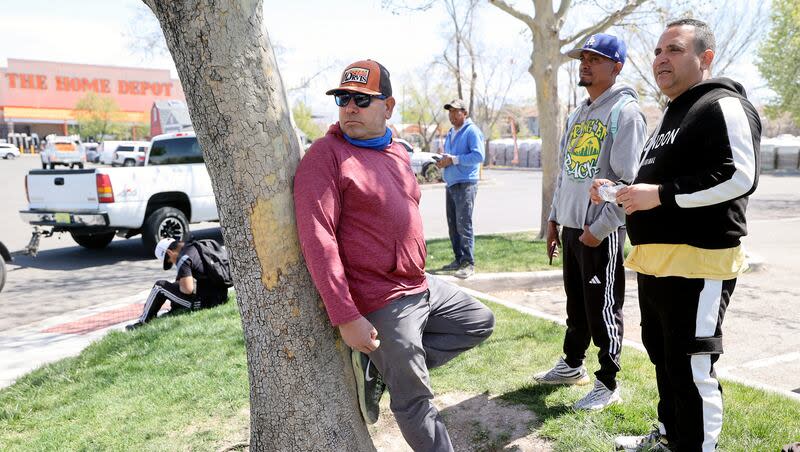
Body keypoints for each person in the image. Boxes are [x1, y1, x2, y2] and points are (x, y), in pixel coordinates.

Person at [293, 59, 495, 452]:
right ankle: (396, 371)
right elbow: (318, 240)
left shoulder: (397, 150)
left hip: (421, 284)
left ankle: (380, 367)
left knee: (478, 322)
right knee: (416, 399)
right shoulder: (326, 156)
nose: (349, 107)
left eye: (362, 100)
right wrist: (347, 316)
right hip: (380, 297)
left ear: (389, 106)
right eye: (343, 99)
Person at [594, 19, 761, 451]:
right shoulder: (671, 114)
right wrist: (620, 194)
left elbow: (739, 176)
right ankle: (670, 437)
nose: (660, 59)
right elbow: (654, 187)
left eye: (674, 49)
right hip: (655, 263)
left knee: (691, 364)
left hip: (699, 262)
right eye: (656, 51)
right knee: (664, 359)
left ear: (705, 58)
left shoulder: (722, 104)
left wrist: (662, 195)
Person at [535, 33, 646, 411]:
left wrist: (598, 231)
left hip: (600, 232)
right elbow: (567, 174)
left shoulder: (625, 113)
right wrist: (554, 218)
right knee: (576, 304)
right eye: (583, 57)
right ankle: (572, 364)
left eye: (595, 58)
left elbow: (629, 184)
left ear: (616, 67)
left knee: (602, 307)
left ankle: (608, 381)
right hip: (572, 227)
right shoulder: (579, 113)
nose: (585, 63)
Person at [126, 238, 230, 330]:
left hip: (206, 303)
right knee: (176, 285)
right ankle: (173, 309)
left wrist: (179, 284)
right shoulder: (199, 246)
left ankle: (143, 322)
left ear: (170, 252)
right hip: (223, 296)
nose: (173, 263)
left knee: (160, 286)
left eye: (170, 261)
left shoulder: (183, 257)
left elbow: (187, 290)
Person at [436, 99, 485, 279]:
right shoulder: (451, 132)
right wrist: (443, 162)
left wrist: (454, 160)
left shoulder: (471, 131)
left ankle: (468, 263)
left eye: (455, 111)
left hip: (466, 184)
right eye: (449, 112)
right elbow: (451, 157)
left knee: (464, 224)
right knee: (453, 225)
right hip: (451, 183)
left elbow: (478, 155)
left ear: (464, 113)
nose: (451, 115)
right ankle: (458, 259)